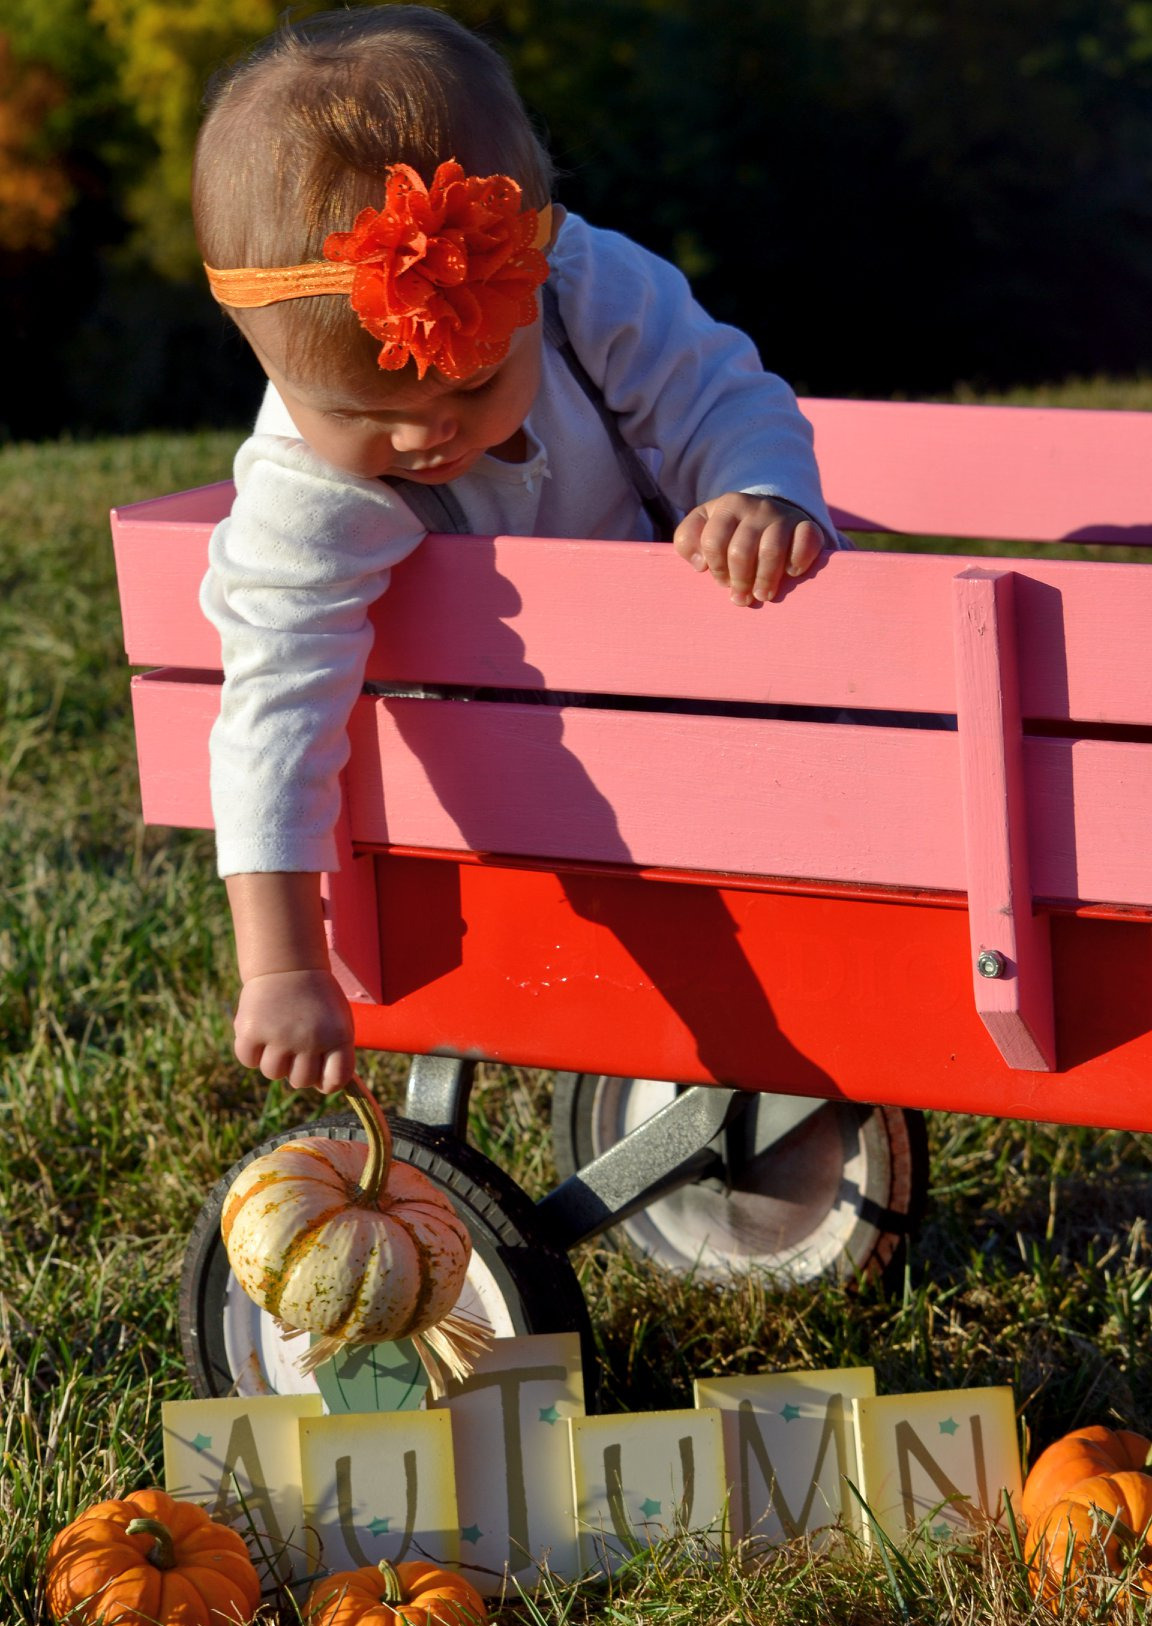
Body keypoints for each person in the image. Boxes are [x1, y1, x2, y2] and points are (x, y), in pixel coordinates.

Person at [193, 5, 841, 1097]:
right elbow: (275, 707)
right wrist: (285, 963)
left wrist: (754, 490)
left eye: (478, 384)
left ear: (534, 274)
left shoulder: (592, 291)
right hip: (501, 801)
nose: (422, 438)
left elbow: (724, 397)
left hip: (711, 709)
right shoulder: (310, 487)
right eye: (363, 414)